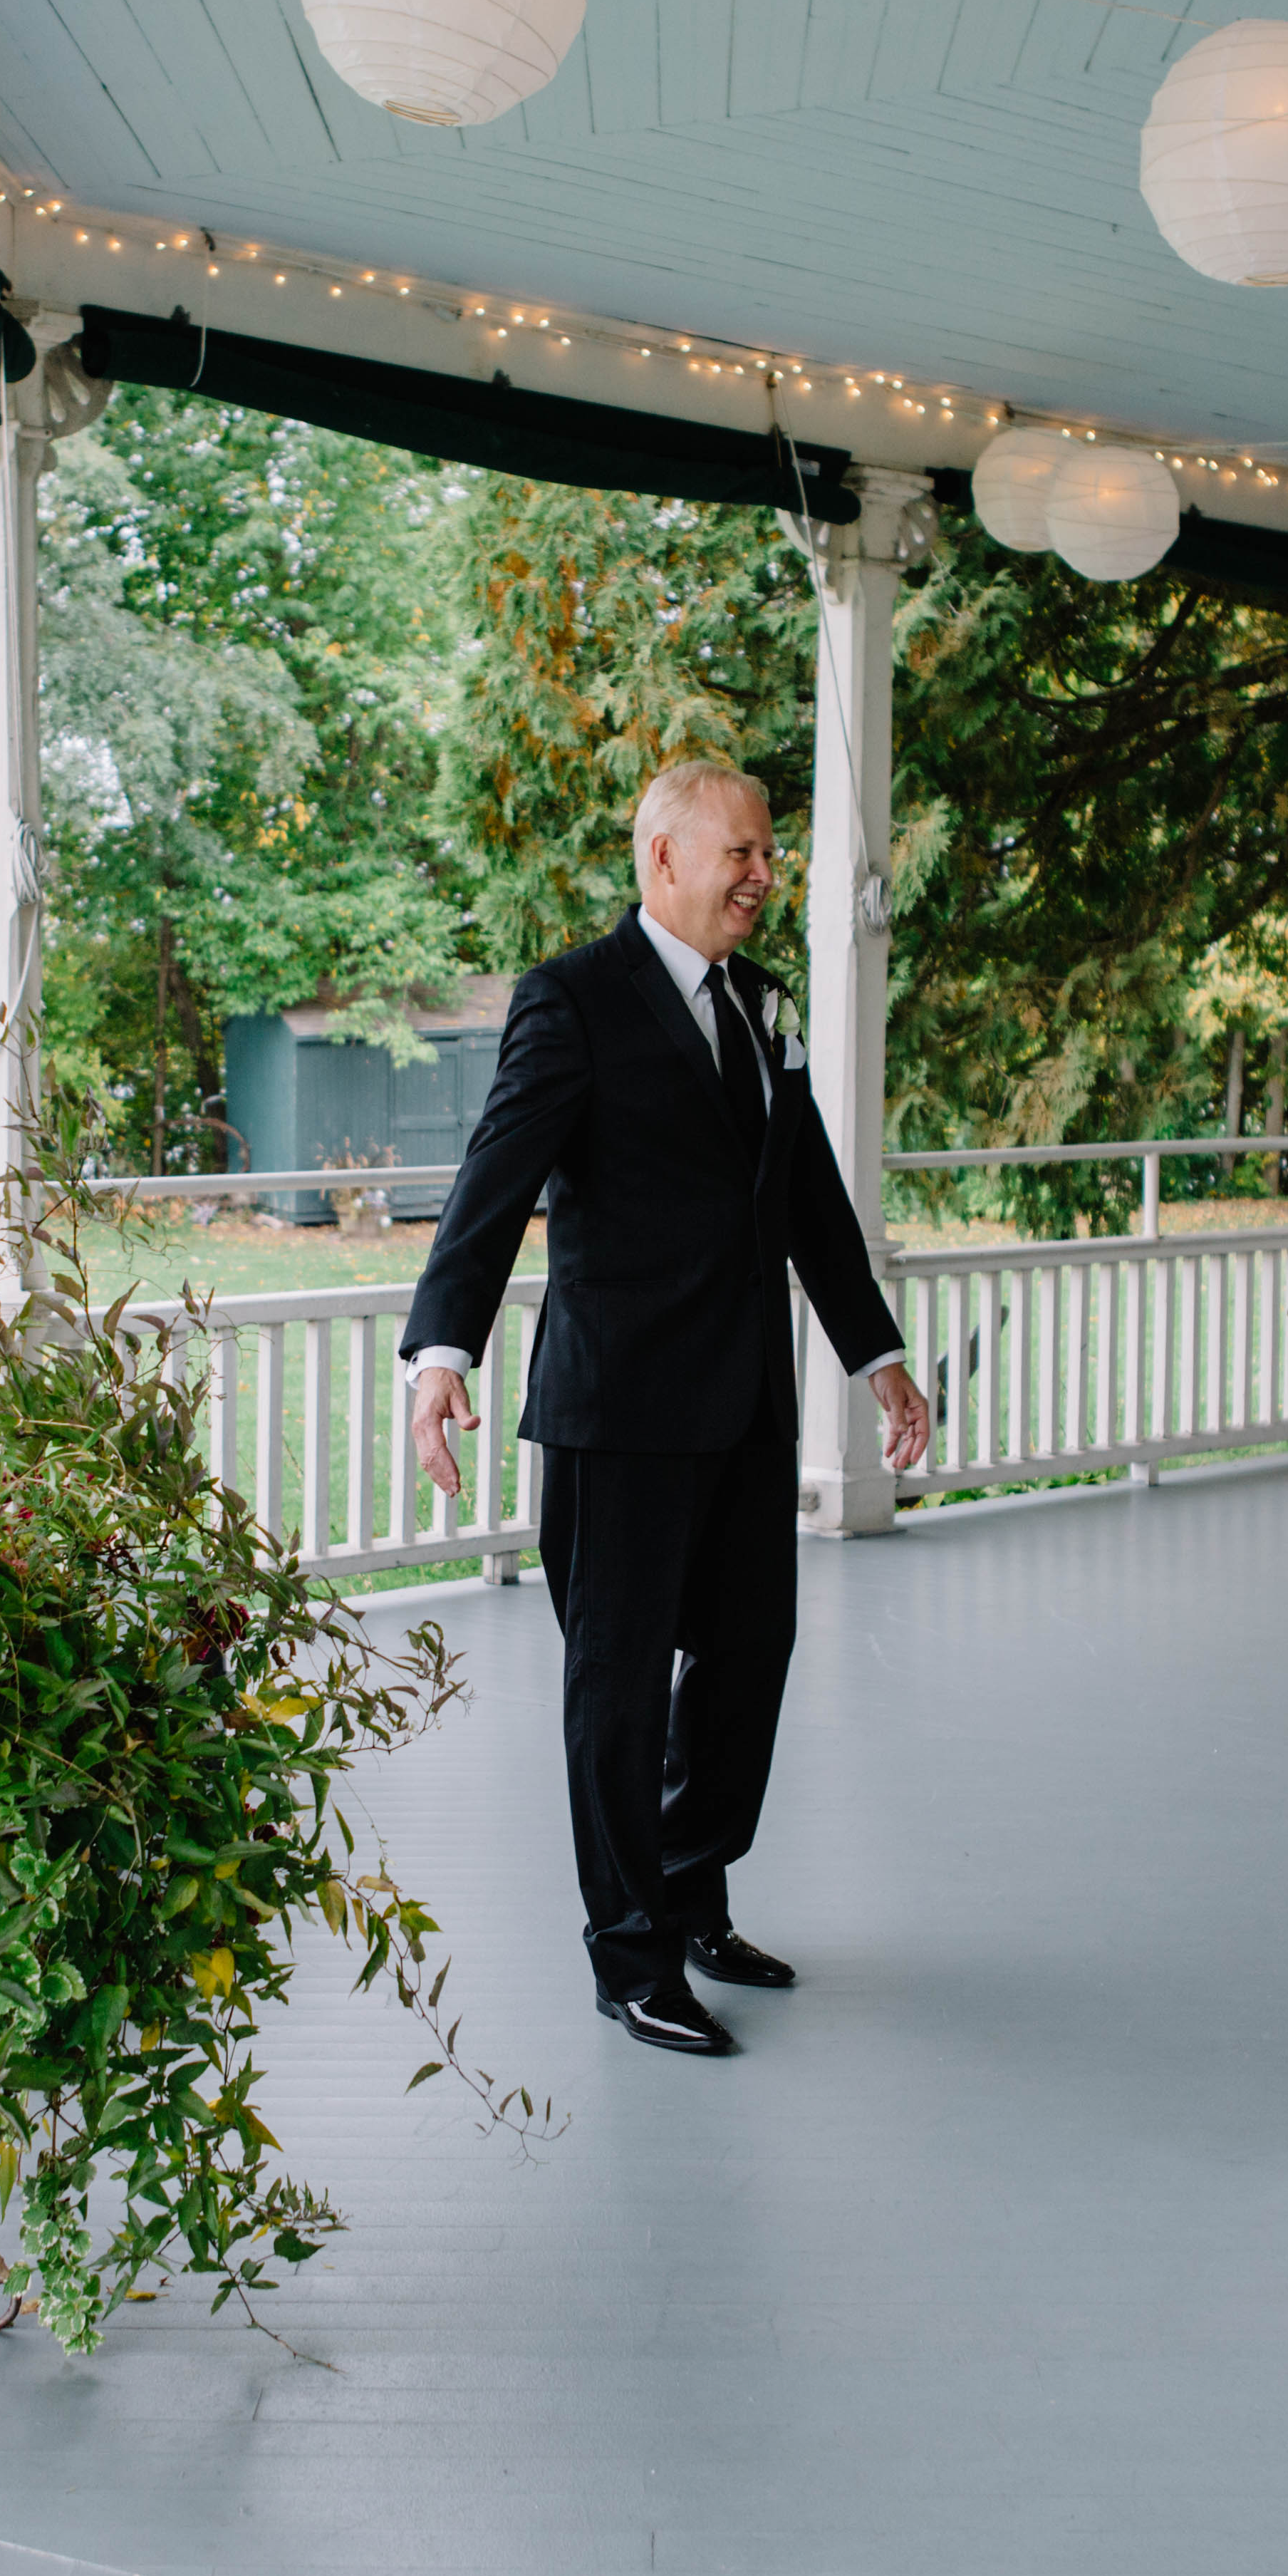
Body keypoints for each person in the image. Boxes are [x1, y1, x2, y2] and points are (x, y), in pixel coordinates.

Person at [400, 760, 932, 2057]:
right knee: (621, 1695)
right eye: (740, 853)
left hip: (748, 1408)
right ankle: (629, 1953)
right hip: (619, 1416)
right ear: (663, 858)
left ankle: (693, 1896)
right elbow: (494, 1185)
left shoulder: (759, 1006)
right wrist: (439, 1354)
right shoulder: (572, 1002)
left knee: (750, 1664)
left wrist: (878, 1356)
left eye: (767, 853)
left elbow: (805, 1197)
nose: (763, 874)